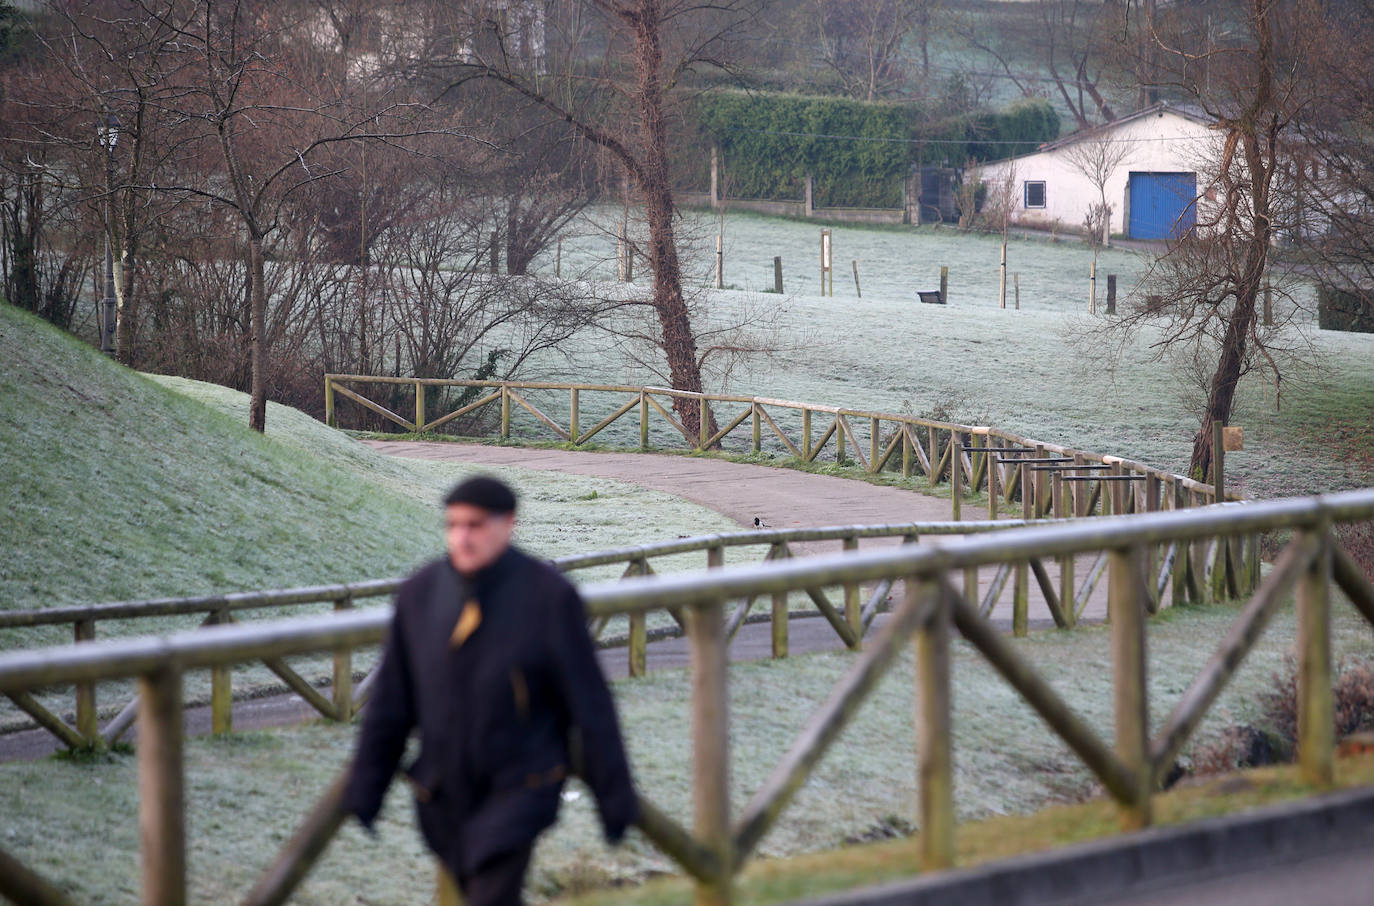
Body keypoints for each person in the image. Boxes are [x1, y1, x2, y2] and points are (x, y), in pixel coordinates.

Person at [345, 475, 638, 906]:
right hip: (441, 793)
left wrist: (616, 799)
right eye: (454, 525)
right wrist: (366, 788)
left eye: (475, 525)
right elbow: (392, 702)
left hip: (522, 784)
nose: (462, 537)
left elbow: (590, 704)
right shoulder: (420, 594)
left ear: (508, 524)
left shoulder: (549, 597)